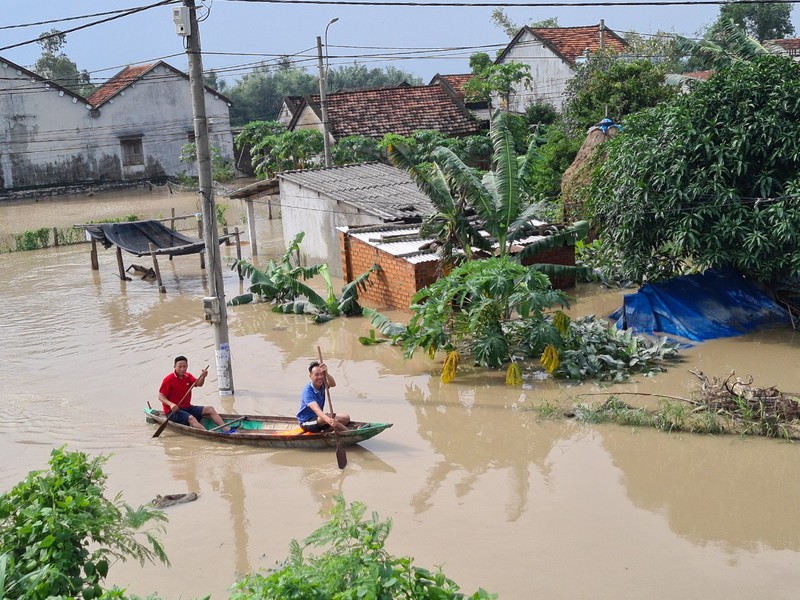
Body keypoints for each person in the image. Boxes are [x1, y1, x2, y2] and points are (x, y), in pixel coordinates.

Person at [158, 356, 235, 432]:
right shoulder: (168, 379)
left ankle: (226, 429)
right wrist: (171, 404)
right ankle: (207, 434)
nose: (182, 369)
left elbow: (199, 384)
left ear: (187, 366)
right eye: (179, 367)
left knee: (210, 409)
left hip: (187, 407)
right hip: (173, 411)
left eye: (184, 366)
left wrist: (203, 376)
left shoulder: (188, 376)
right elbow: (160, 396)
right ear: (174, 367)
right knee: (191, 418)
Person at [298, 360, 350, 433]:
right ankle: (349, 433)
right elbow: (316, 409)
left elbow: (333, 384)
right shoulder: (308, 392)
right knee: (333, 420)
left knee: (345, 418)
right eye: (316, 374)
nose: (320, 377)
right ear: (311, 376)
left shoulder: (322, 384)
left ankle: (325, 433)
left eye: (321, 374)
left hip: (319, 419)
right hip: (307, 422)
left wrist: (327, 374)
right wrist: (328, 420)